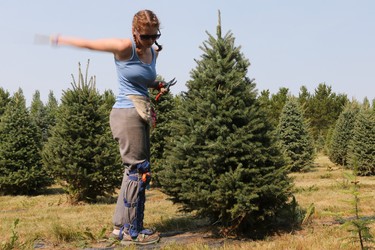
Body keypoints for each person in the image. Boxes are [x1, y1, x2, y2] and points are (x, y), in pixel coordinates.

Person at [50, 9, 169, 245]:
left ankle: (119, 227)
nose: (151, 41)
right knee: (138, 171)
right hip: (126, 113)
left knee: (132, 172)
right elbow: (90, 44)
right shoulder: (124, 47)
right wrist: (61, 39)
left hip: (141, 111)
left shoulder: (152, 51)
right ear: (135, 32)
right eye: (146, 36)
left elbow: (141, 79)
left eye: (155, 36)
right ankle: (131, 231)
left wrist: (157, 84)